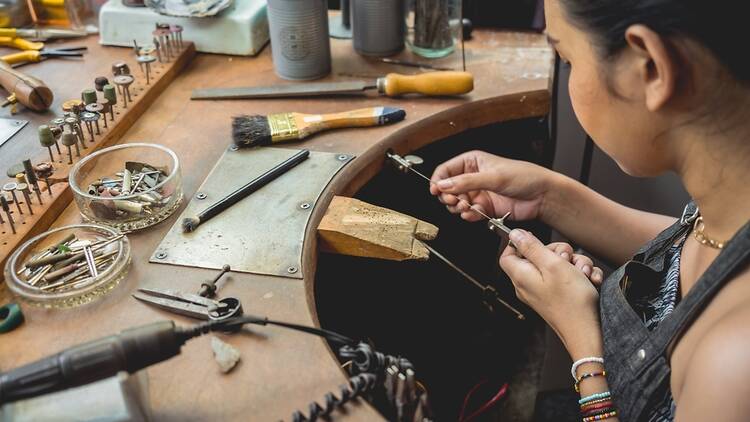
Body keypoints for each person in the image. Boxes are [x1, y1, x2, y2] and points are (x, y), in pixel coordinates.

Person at [429, 1, 750, 421]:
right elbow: (698, 248)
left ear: (649, 66)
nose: (568, 76)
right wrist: (549, 196)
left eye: (567, 58)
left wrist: (583, 346)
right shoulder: (730, 204)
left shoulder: (731, 368)